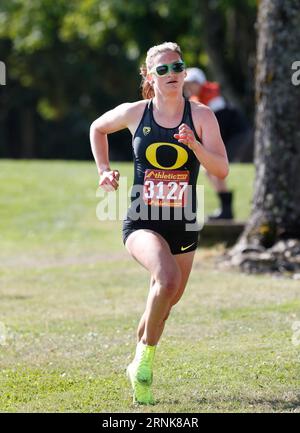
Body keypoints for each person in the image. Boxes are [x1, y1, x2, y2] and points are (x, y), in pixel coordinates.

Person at [90, 42, 229, 405]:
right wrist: (104, 171)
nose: (171, 74)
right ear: (150, 77)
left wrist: (196, 146)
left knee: (165, 302)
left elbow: (221, 169)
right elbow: (97, 128)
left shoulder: (201, 117)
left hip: (183, 222)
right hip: (141, 220)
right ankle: (145, 368)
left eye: (177, 67)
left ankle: (137, 362)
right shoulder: (136, 113)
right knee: (166, 278)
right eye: (162, 69)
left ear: (185, 73)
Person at [184, 67, 252, 220]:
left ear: (199, 83)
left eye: (189, 84)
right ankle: (226, 210)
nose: (186, 88)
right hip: (231, 136)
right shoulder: (199, 99)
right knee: (209, 169)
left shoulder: (213, 99)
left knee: (212, 168)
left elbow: (220, 126)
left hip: (237, 136)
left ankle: (226, 211)